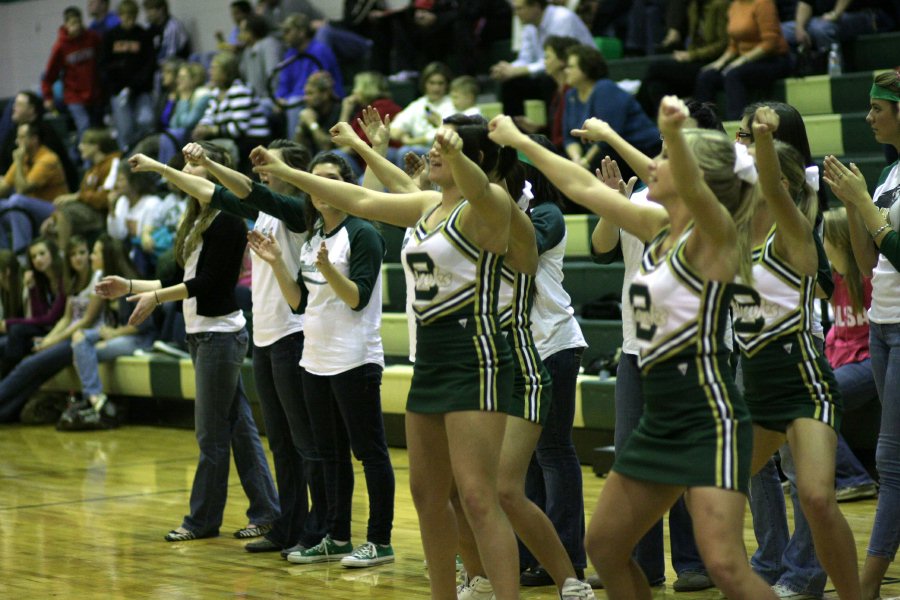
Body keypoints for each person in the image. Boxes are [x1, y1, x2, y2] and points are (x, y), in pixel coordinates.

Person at [487, 99, 775, 599]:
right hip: (658, 418)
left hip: (708, 417)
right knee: (605, 546)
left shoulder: (717, 236)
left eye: (665, 158)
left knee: (725, 565)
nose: (652, 163)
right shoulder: (654, 227)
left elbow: (701, 188)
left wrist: (673, 130)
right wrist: (520, 143)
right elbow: (581, 186)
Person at [251, 123, 522, 599]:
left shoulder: (490, 205)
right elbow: (359, 200)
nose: (434, 152)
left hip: (476, 356)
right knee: (429, 495)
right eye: (437, 145)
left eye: (447, 146)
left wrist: (459, 155)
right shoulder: (424, 206)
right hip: (432, 361)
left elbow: (480, 187)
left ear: (475, 156)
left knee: (479, 497)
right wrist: (286, 172)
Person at [145, 139, 326, 557]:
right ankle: (286, 523)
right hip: (263, 335)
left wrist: (207, 161)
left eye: (272, 166)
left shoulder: (297, 212)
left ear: (295, 173)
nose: (263, 171)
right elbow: (215, 193)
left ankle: (319, 527)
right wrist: (163, 168)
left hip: (291, 333)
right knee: (277, 440)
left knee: (303, 442)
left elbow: (242, 190)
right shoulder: (261, 211)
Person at [99, 142, 279, 542]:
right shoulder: (196, 220)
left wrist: (157, 299)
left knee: (211, 435)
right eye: (185, 167)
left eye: (194, 167)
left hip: (220, 335)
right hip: (203, 336)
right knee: (239, 430)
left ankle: (202, 520)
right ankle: (267, 511)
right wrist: (128, 286)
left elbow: (210, 284)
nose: (186, 173)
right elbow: (180, 280)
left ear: (214, 174)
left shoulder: (228, 219)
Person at [584, 101, 723, 594]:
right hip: (634, 348)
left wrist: (607, 133)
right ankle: (638, 562)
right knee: (631, 457)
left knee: (683, 463)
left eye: (673, 142)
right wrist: (611, 200)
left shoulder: (703, 198)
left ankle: (694, 562)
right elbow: (601, 249)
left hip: (688, 355)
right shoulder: (643, 195)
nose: (663, 152)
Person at [247, 151, 397, 569]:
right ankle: (337, 536)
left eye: (330, 179)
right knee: (329, 453)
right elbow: (298, 303)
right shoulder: (312, 237)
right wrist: (277, 263)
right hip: (314, 360)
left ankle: (379, 540)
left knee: (370, 453)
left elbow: (356, 298)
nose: (321, 188)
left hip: (355, 360)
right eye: (314, 181)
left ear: (345, 185)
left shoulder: (364, 233)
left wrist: (330, 269)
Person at [735, 105, 860, 599]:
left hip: (801, 381)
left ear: (782, 187)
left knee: (816, 498)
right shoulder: (737, 235)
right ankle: (748, 577)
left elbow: (768, 181)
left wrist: (763, 140)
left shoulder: (794, 237)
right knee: (715, 482)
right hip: (756, 388)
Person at [822, 70, 900, 600]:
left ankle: (864, 587)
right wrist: (853, 204)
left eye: (878, 107)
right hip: (881, 324)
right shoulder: (890, 172)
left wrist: (867, 210)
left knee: (891, 461)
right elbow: (870, 260)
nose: (869, 116)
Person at [0, 237, 100, 423]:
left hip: (83, 338)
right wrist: (48, 340)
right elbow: (64, 319)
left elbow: (84, 321)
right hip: (63, 335)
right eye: (73, 255)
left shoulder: (96, 278)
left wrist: (51, 340)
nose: (77, 258)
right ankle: (6, 411)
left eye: (82, 253)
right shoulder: (73, 280)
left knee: (27, 365)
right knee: (26, 364)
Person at [62, 234, 155, 428]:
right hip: (116, 332)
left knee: (87, 352)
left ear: (107, 256)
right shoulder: (106, 284)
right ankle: (96, 398)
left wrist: (114, 333)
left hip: (139, 338)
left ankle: (93, 398)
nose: (91, 257)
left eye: (95, 253)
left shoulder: (131, 284)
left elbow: (144, 325)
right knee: (79, 339)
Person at [822, 207, 879, 502]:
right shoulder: (835, 280)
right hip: (845, 360)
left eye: (826, 237)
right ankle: (811, 477)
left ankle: (854, 478)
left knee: (817, 399)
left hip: (869, 361)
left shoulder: (868, 279)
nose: (821, 243)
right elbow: (838, 332)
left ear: (841, 241)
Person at [561, 45, 660, 179]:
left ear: (586, 68)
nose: (565, 71)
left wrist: (584, 162)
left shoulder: (604, 88)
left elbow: (607, 136)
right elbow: (569, 137)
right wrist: (577, 159)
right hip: (604, 153)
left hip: (640, 149)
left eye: (571, 67)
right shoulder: (571, 95)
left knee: (588, 173)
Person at [491, 0, 594, 118]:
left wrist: (520, 70)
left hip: (579, 70)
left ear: (536, 6)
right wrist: (508, 69)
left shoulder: (562, 18)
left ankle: (550, 130)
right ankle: (515, 131)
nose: (516, 14)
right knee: (511, 82)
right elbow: (526, 58)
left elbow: (559, 59)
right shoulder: (529, 25)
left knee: (549, 80)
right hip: (549, 72)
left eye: (519, 9)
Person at [693, 0, 791, 120]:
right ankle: (705, 126)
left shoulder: (763, 3)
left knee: (733, 75)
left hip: (772, 60)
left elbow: (770, 43)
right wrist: (720, 62)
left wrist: (742, 60)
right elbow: (734, 44)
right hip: (745, 60)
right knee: (706, 76)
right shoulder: (734, 6)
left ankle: (738, 128)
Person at [635, 0, 730, 118]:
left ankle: (636, 116)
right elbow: (694, 39)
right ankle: (669, 127)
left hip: (714, 61)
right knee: (656, 86)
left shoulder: (720, 5)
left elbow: (723, 44)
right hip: (695, 59)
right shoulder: (694, 6)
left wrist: (692, 55)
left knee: (655, 68)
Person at [42, 127, 121, 251]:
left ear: (96, 146)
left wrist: (78, 196)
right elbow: (84, 194)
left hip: (102, 214)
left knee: (64, 214)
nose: (80, 147)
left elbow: (104, 199)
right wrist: (53, 217)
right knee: (47, 227)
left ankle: (63, 261)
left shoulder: (113, 163)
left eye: (84, 143)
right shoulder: (92, 169)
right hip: (88, 211)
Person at [0, 238, 67, 376]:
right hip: (46, 329)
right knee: (15, 337)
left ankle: (5, 379)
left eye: (42, 254)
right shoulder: (40, 280)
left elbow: (50, 318)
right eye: (34, 256)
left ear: (52, 254)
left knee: (17, 330)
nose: (38, 259)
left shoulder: (63, 278)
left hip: (61, 330)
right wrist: (32, 287)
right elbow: (38, 315)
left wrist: (9, 322)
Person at [0, 123, 69, 255]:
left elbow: (21, 190)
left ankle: (22, 255)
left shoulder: (48, 159)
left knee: (16, 200)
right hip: (28, 208)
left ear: (34, 139)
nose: (16, 141)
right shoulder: (24, 157)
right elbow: (4, 187)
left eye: (21, 137)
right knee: (16, 209)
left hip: (53, 209)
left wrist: (18, 162)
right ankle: (4, 256)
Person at [275, 13, 345, 142]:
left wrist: (288, 99)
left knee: (294, 105)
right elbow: (284, 83)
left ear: (301, 32)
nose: (284, 36)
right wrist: (279, 98)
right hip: (298, 97)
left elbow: (316, 85)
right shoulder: (290, 54)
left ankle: (293, 153)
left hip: (325, 97)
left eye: (287, 31)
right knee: (265, 106)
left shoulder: (319, 50)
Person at [192, 51, 271, 163]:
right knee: (196, 146)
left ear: (226, 72)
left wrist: (211, 130)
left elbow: (239, 128)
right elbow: (208, 117)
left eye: (214, 69)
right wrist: (202, 126)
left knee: (213, 150)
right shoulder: (216, 93)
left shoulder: (240, 90)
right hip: (232, 138)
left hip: (251, 140)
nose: (210, 72)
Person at [100, 0, 157, 150]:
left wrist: (134, 85)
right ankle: (127, 154)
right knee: (125, 127)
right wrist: (117, 87)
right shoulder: (110, 36)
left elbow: (149, 64)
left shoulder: (143, 35)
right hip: (118, 90)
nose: (129, 20)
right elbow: (104, 64)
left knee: (147, 120)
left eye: (132, 16)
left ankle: (146, 150)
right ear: (119, 16)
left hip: (140, 89)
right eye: (125, 16)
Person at [40, 6, 103, 138]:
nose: (77, 27)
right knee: (85, 127)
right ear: (66, 24)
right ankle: (85, 158)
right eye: (73, 23)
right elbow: (49, 75)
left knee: (96, 130)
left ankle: (76, 152)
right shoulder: (60, 46)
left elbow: (103, 59)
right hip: (74, 95)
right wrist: (48, 96)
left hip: (94, 93)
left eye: (79, 22)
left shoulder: (92, 38)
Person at [512, 35, 581, 150]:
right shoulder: (557, 92)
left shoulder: (572, 92)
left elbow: (569, 134)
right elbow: (556, 132)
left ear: (562, 61)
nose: (544, 62)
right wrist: (537, 129)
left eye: (547, 57)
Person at [388, 62, 455, 166]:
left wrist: (410, 141)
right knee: (386, 153)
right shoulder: (418, 104)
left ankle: (405, 182)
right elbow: (395, 128)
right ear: (424, 84)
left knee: (404, 152)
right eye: (432, 83)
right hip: (415, 148)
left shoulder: (451, 104)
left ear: (446, 85)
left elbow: (447, 134)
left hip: (437, 151)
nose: (436, 88)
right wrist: (398, 132)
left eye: (440, 83)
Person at [782, 0, 894, 58]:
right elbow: (805, 3)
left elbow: (835, 15)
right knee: (783, 31)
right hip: (822, 18)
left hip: (864, 15)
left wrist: (836, 13)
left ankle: (831, 70)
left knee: (821, 29)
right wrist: (799, 28)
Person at [238, 15, 283, 98]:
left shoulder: (269, 44)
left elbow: (273, 76)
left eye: (242, 31)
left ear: (252, 31)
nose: (240, 35)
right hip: (255, 99)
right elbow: (243, 77)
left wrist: (271, 98)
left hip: (270, 98)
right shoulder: (247, 50)